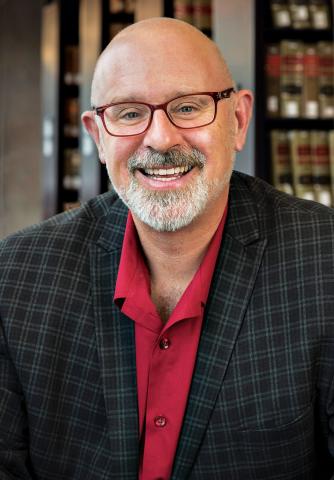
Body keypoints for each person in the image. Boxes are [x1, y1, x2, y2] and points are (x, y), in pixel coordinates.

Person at [0, 17, 333, 480]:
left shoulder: (325, 262)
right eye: (130, 113)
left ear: (237, 120)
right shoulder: (17, 276)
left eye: (189, 107)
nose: (160, 138)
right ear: (97, 136)